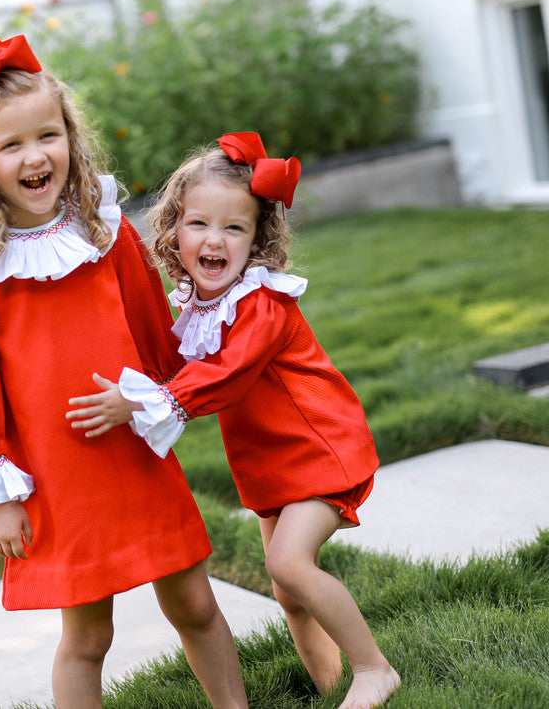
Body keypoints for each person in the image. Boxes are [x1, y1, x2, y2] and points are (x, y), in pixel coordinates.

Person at [0, 33, 248, 709]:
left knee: (193, 599)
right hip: (58, 470)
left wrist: (165, 395)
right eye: (10, 145)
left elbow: (149, 321)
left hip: (131, 448)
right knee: (87, 635)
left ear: (69, 134)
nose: (35, 155)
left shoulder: (100, 223)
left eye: (48, 135)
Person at [67, 132, 400, 709]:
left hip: (321, 450)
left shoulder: (263, 304)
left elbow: (226, 374)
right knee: (288, 590)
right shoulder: (200, 306)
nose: (214, 240)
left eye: (234, 228)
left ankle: (373, 669)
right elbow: (170, 351)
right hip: (273, 466)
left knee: (289, 564)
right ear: (174, 233)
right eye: (198, 225)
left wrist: (144, 403)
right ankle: (334, 688)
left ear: (259, 239)